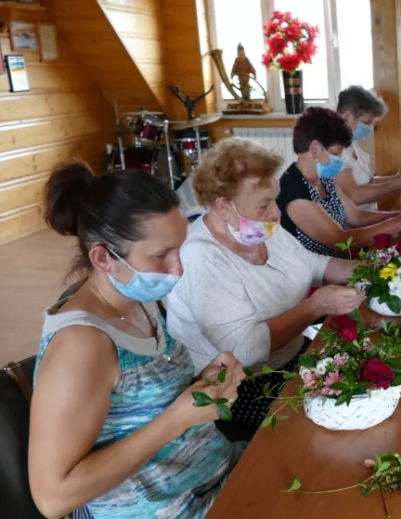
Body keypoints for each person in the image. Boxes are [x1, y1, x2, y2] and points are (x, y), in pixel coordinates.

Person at [30, 163, 243, 518]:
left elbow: (137, 406)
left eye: (179, 249)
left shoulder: (138, 298)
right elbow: (53, 498)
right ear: (103, 258)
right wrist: (177, 419)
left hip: (212, 474)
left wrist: (200, 386)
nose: (178, 269)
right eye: (161, 255)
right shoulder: (81, 344)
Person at [167, 138, 365, 428]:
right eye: (264, 205)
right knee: (339, 419)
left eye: (275, 199)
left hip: (291, 357)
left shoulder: (257, 229)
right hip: (240, 391)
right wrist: (315, 307)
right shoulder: (202, 259)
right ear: (223, 207)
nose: (276, 213)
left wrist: (370, 270)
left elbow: (313, 264)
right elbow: (245, 351)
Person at [277, 106, 401, 258]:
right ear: (315, 148)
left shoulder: (322, 178)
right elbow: (341, 241)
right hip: (320, 276)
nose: (340, 161)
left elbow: (356, 217)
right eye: (336, 154)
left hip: (341, 264)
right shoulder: (294, 192)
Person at [335, 85, 401, 211]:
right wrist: (398, 184)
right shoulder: (332, 148)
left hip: (367, 215)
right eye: (366, 123)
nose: (370, 128)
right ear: (346, 117)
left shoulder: (352, 142)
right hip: (350, 225)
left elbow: (370, 181)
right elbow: (354, 195)